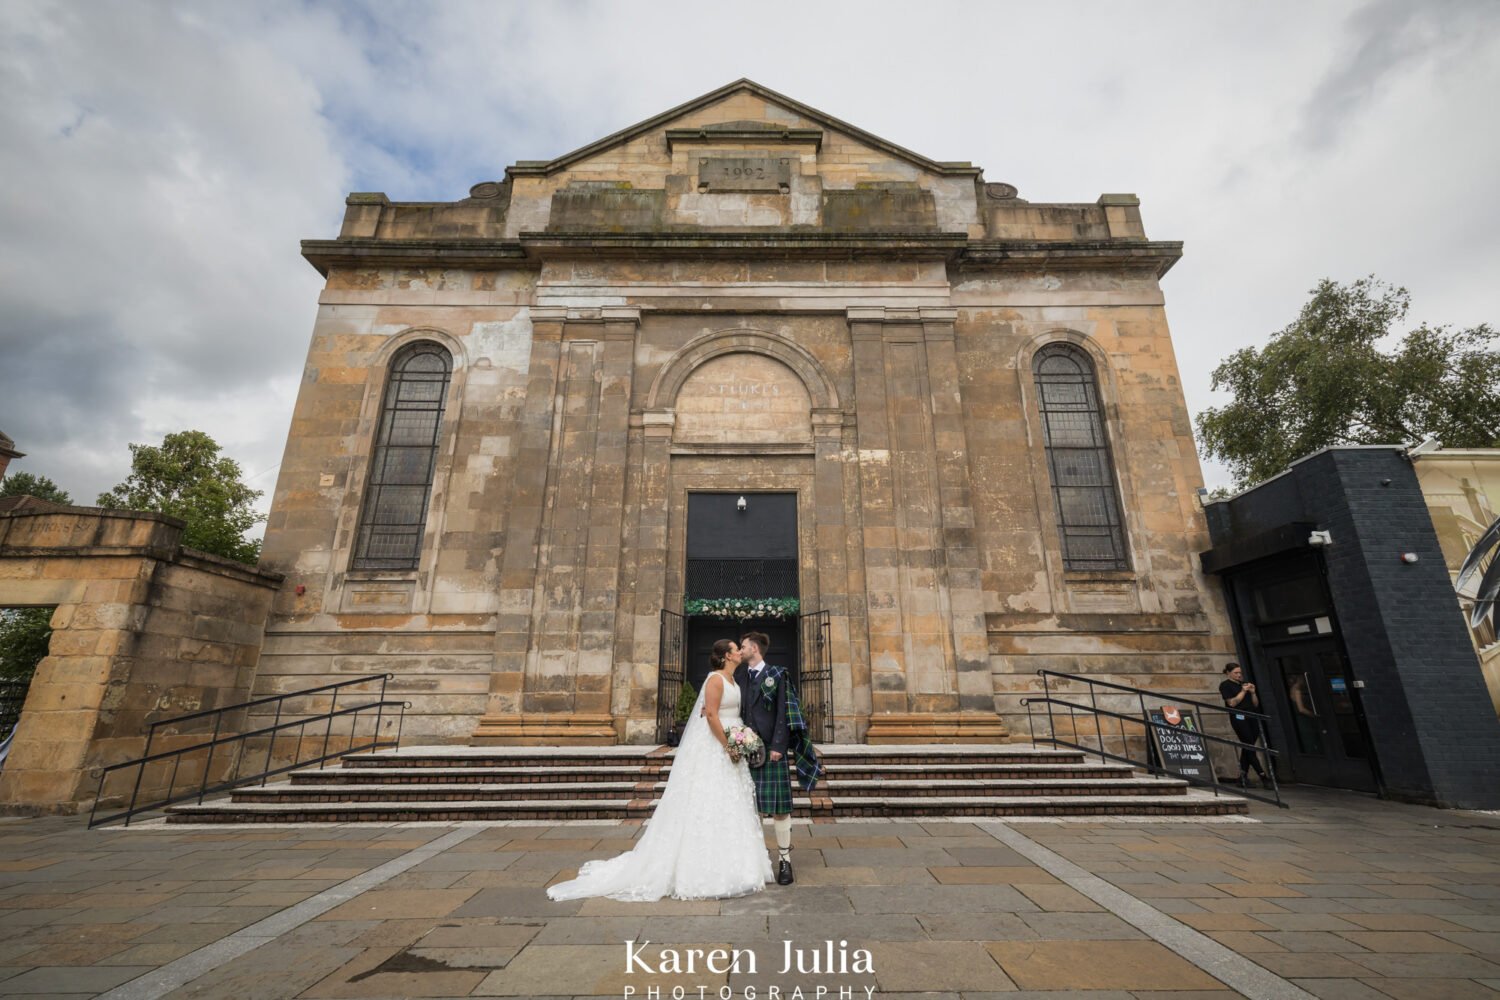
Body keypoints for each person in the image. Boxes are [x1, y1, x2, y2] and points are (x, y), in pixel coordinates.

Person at [545, 639, 772, 901]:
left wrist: (742, 737)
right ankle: (702, 868)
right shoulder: (715, 680)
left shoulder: (735, 680)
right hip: (717, 746)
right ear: (726, 656)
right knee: (707, 801)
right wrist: (728, 746)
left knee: (729, 802)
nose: (740, 651)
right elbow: (710, 715)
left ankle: (738, 864)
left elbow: (725, 712)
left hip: (731, 740)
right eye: (735, 648)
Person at [735, 631, 824, 886]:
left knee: (780, 810)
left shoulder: (777, 674)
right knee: (753, 809)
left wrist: (778, 745)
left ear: (754, 648)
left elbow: (785, 711)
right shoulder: (740, 676)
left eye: (743, 647)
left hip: (771, 750)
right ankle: (758, 861)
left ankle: (785, 860)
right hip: (745, 749)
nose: (740, 651)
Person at [1219, 662, 1270, 788]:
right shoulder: (1225, 685)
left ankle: (1242, 777)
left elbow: (1255, 704)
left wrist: (1252, 692)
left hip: (1252, 716)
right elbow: (1232, 703)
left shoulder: (1245, 684)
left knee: (1248, 747)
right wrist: (1242, 691)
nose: (1239, 675)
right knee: (1249, 747)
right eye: (1236, 673)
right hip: (1239, 718)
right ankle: (1263, 776)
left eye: (1240, 673)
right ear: (1228, 673)